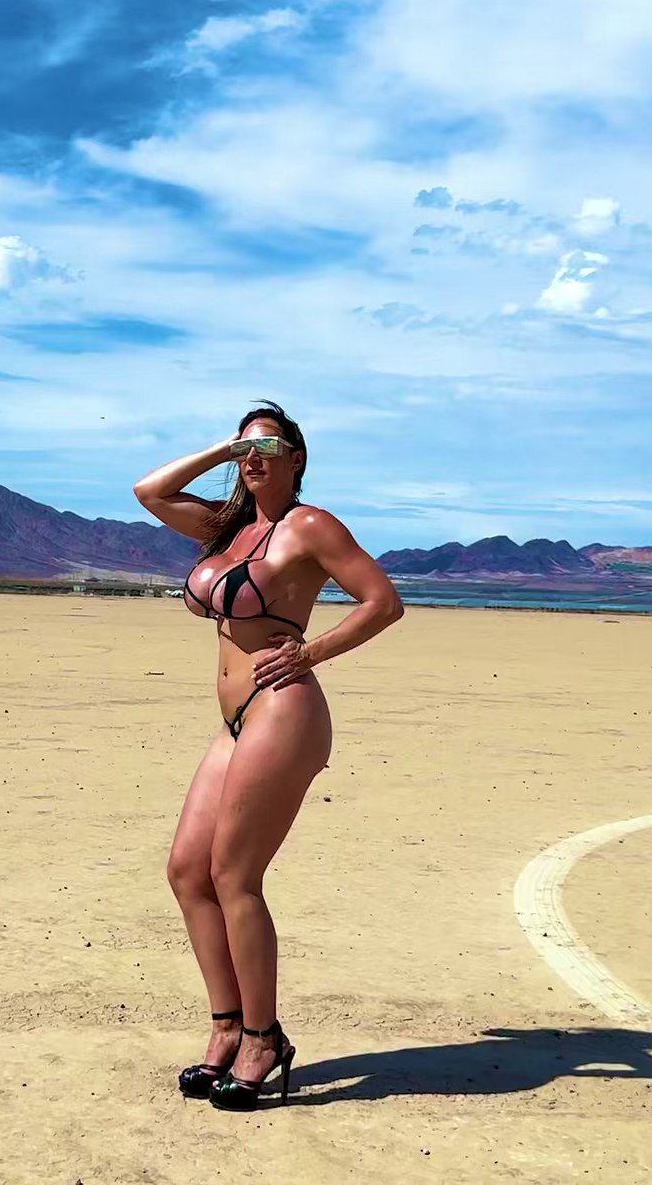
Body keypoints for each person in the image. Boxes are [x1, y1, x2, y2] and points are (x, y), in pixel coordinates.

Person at [132, 399, 404, 1110]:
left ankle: (262, 1038)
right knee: (187, 871)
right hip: (233, 722)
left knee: (234, 873)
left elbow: (382, 601)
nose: (253, 459)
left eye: (269, 448)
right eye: (244, 449)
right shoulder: (226, 527)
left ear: (298, 459)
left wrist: (310, 652)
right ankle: (226, 1026)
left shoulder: (310, 527)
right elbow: (149, 491)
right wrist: (223, 450)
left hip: (283, 710)